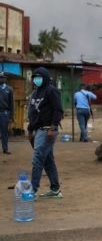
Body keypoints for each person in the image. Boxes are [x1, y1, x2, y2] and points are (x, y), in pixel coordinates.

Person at [27, 67, 63, 199]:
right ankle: (55, 189)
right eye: (34, 77)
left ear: (45, 78)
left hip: (48, 130)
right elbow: (33, 113)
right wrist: (30, 130)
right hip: (38, 130)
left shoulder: (51, 91)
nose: (36, 79)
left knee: (37, 159)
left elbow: (58, 110)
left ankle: (33, 190)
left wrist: (53, 128)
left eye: (39, 77)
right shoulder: (35, 93)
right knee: (48, 160)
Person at [0, 72, 13, 154]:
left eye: (3, 77)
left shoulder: (9, 89)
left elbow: (11, 103)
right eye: (0, 77)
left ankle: (5, 148)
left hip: (4, 113)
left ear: (5, 79)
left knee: (4, 131)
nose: (2, 79)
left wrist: (11, 116)